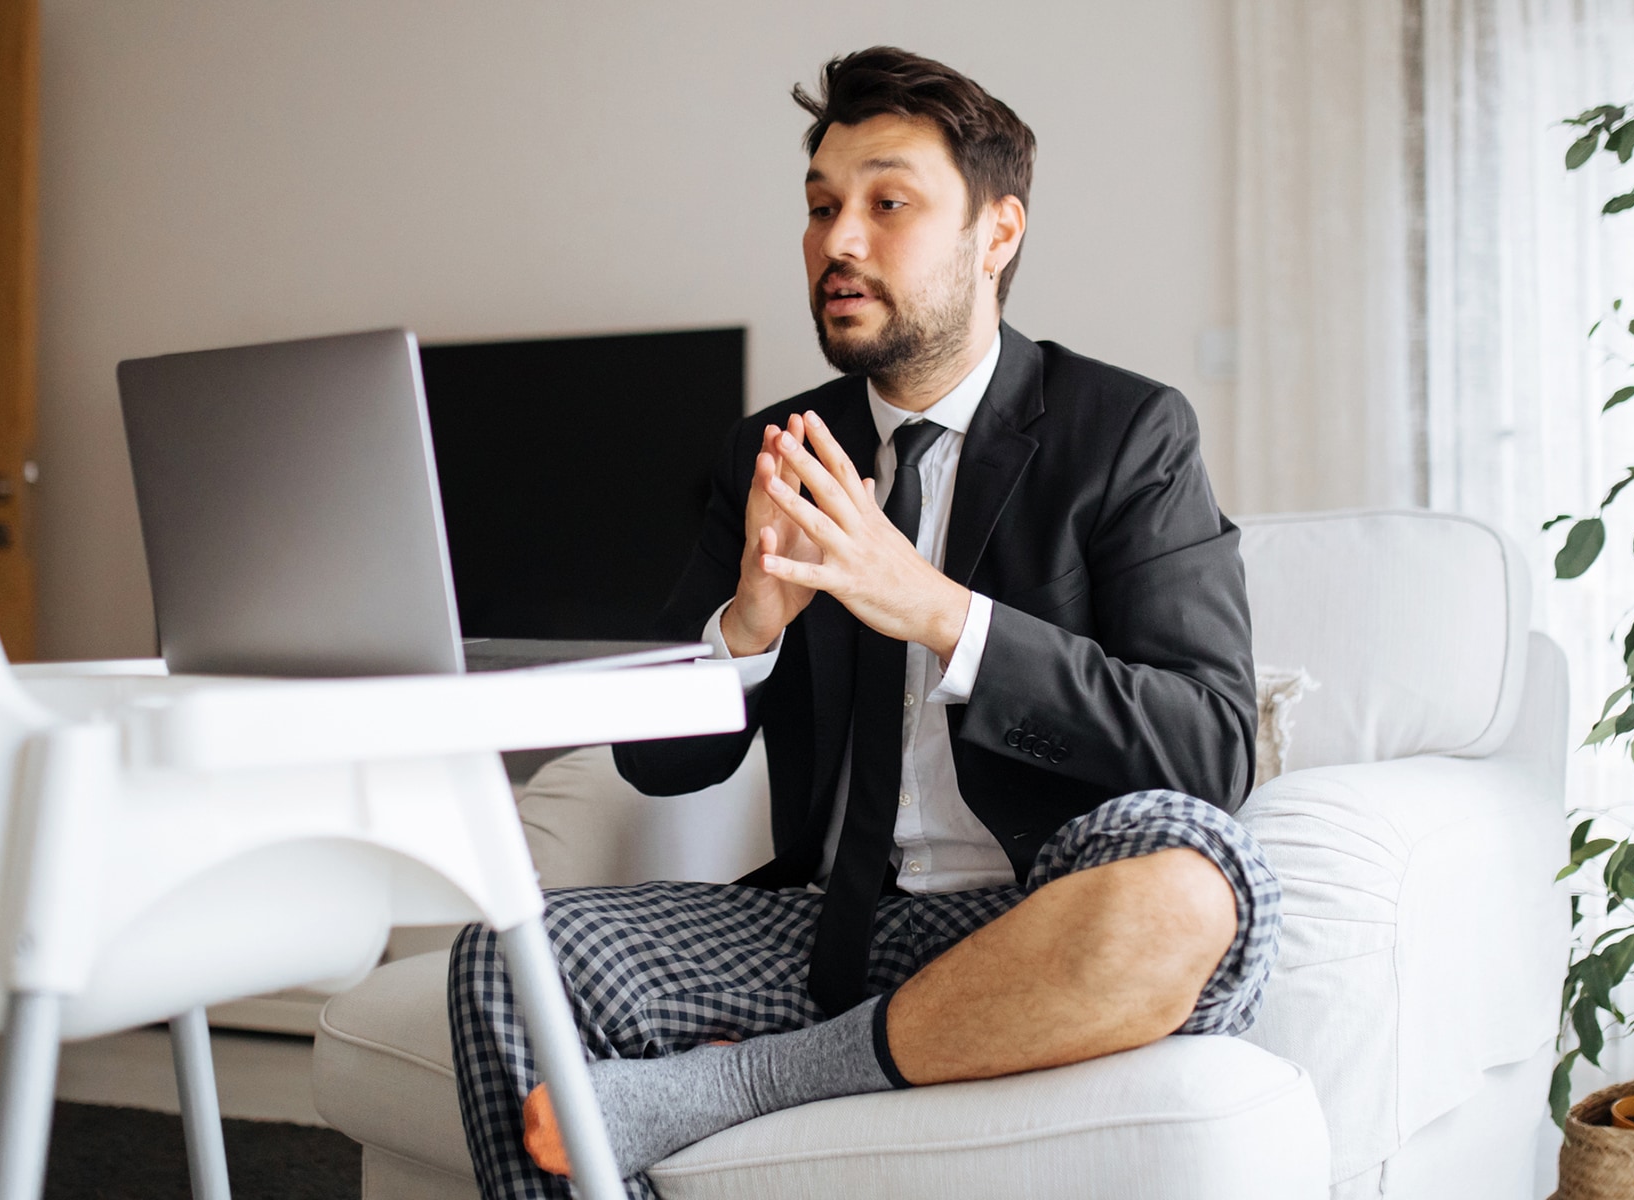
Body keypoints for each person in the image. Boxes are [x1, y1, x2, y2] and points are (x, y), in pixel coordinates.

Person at [449, 46, 1280, 1200]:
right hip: (828, 930)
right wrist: (744, 629)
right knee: (516, 954)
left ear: (996, 234)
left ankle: (749, 1084)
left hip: (1046, 916)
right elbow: (658, 761)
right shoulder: (773, 449)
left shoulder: (1126, 432)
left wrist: (939, 614)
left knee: (1193, 878)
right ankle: (843, 1054)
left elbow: (1210, 747)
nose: (838, 241)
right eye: (821, 207)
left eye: (888, 204)